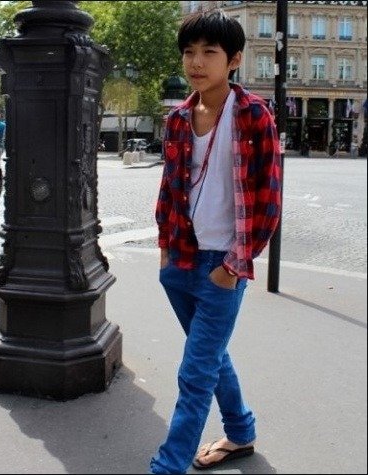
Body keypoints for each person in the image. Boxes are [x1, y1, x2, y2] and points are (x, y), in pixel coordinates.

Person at [150, 9, 281, 474]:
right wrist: (165, 251)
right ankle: (241, 432)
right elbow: (169, 189)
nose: (196, 62)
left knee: (195, 372)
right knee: (211, 355)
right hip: (180, 261)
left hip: (222, 265)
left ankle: (168, 466)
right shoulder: (178, 118)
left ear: (234, 60)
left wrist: (233, 266)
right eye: (189, 52)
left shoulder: (254, 116)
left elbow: (268, 200)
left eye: (209, 52)